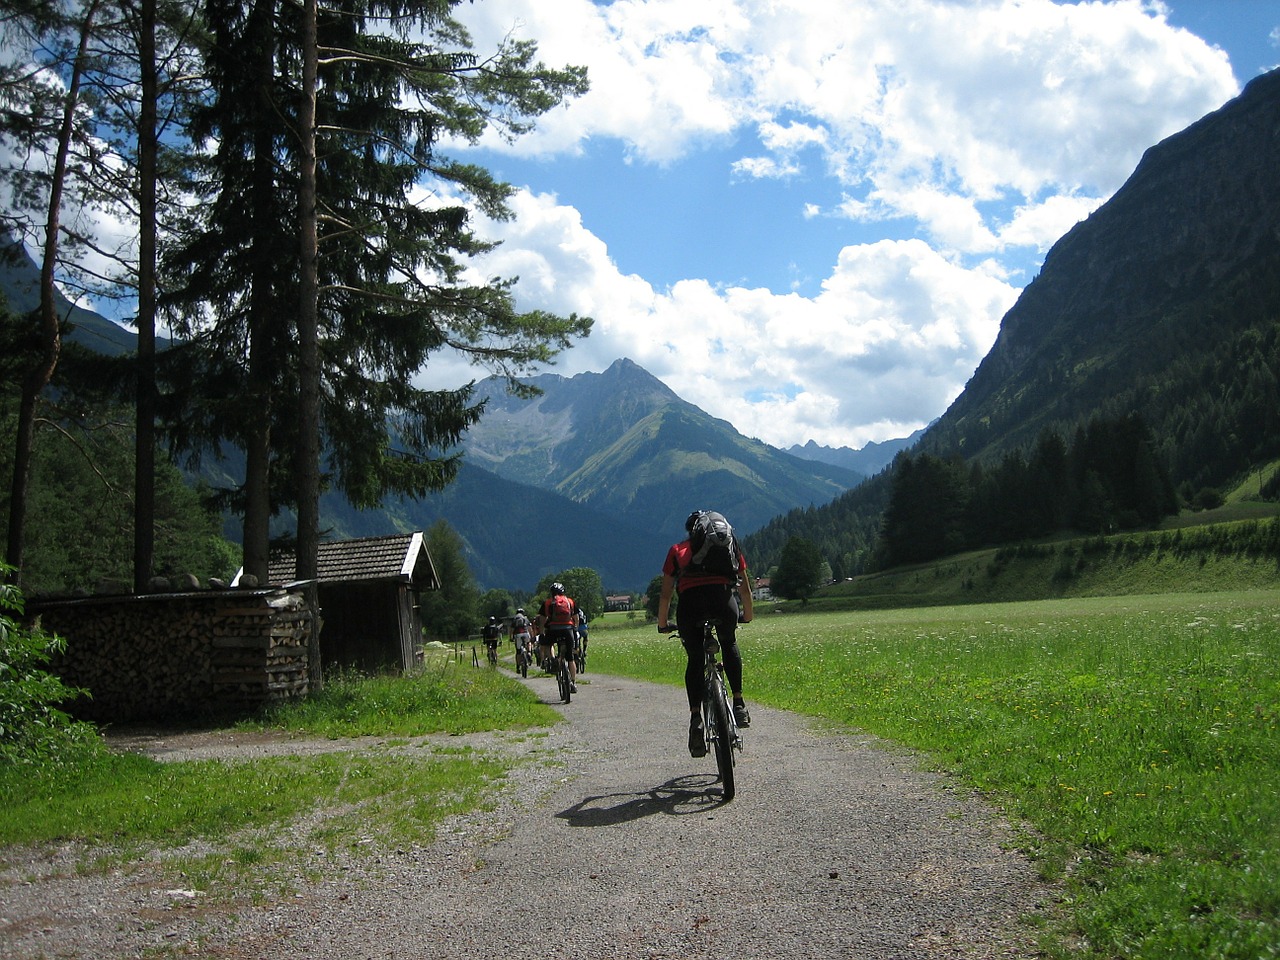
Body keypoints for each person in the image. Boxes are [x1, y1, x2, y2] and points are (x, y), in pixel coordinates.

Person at [657, 510, 754, 757]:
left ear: (691, 530)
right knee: (729, 642)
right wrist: (748, 615)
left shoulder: (677, 550)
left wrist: (663, 623)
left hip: (690, 608)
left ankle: (696, 719)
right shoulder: (728, 545)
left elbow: (666, 594)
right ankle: (739, 703)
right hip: (723, 601)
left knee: (695, 659)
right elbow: (744, 589)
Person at [537, 582, 579, 693]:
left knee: (547, 644)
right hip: (568, 630)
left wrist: (541, 633)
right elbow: (576, 617)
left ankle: (552, 660)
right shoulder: (570, 602)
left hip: (553, 629)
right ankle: (573, 683)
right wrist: (575, 628)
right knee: (570, 658)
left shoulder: (547, 603)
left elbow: (541, 620)